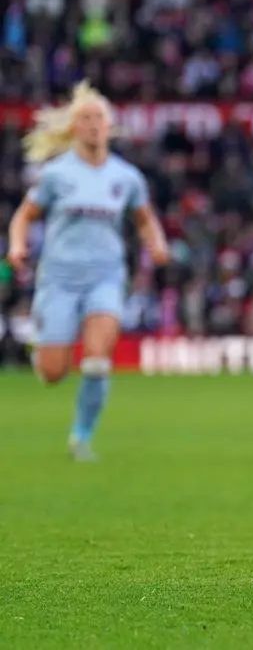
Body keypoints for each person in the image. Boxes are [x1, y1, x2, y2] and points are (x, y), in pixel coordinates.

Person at [5, 82, 170, 461]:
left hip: (106, 276)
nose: (94, 124)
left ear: (109, 125)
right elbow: (24, 216)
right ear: (73, 127)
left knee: (97, 361)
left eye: (99, 117)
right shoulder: (56, 175)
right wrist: (17, 245)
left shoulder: (125, 177)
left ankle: (81, 436)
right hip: (59, 279)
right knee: (52, 373)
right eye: (86, 118)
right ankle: (42, 344)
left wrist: (156, 244)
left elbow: (144, 219)